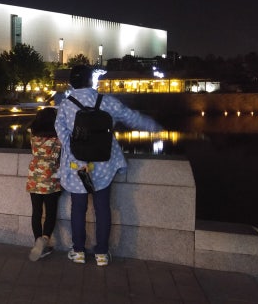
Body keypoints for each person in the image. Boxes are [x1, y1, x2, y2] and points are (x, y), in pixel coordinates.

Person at [55, 64, 162, 266]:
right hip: (104, 164)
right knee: (103, 207)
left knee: (78, 208)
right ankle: (102, 253)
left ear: (71, 83)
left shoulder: (66, 105)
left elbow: (63, 136)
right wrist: (154, 127)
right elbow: (131, 117)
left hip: (78, 168)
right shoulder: (106, 101)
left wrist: (77, 158)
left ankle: (78, 251)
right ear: (91, 81)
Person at [26, 107, 62, 261]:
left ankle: (37, 241)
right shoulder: (57, 138)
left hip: (34, 177)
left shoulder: (33, 136)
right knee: (50, 212)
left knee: (36, 212)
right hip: (51, 177)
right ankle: (45, 239)